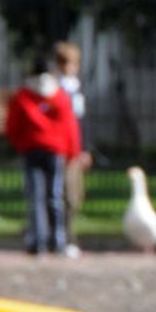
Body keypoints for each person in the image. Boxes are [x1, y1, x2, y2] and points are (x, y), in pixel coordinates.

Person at [5, 56, 82, 258]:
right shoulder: (60, 97)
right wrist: (73, 150)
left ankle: (38, 240)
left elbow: (12, 126)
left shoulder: (23, 96)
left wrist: (21, 144)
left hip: (32, 150)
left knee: (36, 196)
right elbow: (70, 127)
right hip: (55, 151)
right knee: (54, 195)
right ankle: (58, 240)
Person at [53, 41, 90, 257]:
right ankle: (64, 237)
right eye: (67, 63)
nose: (72, 67)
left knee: (75, 196)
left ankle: (65, 233)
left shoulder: (77, 89)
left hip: (75, 149)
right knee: (62, 195)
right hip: (61, 149)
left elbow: (82, 122)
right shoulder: (55, 90)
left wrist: (84, 149)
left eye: (75, 63)